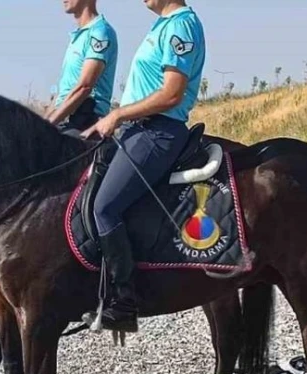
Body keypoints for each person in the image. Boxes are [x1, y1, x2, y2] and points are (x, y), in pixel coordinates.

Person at [83, 0, 206, 332]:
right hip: (139, 129)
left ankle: (124, 302)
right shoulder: (162, 26)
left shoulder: (181, 25)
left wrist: (118, 114)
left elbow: (171, 95)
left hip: (157, 131)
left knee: (105, 207)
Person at [46, 0, 119, 135]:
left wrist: (47, 126)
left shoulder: (100, 32)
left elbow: (84, 87)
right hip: (66, 121)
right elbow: (62, 93)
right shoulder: (78, 36)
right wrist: (41, 124)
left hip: (85, 120)